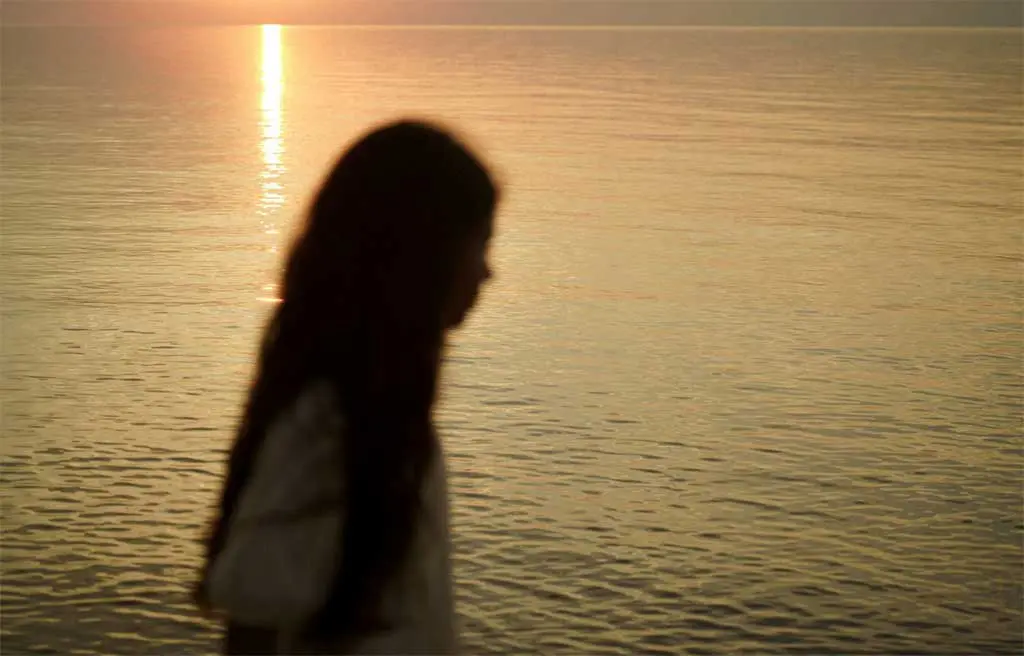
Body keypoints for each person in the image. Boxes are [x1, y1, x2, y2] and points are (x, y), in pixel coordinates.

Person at [193, 119, 500, 655]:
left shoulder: (385, 420)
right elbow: (252, 629)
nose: (488, 272)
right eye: (479, 243)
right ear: (421, 256)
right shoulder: (328, 429)